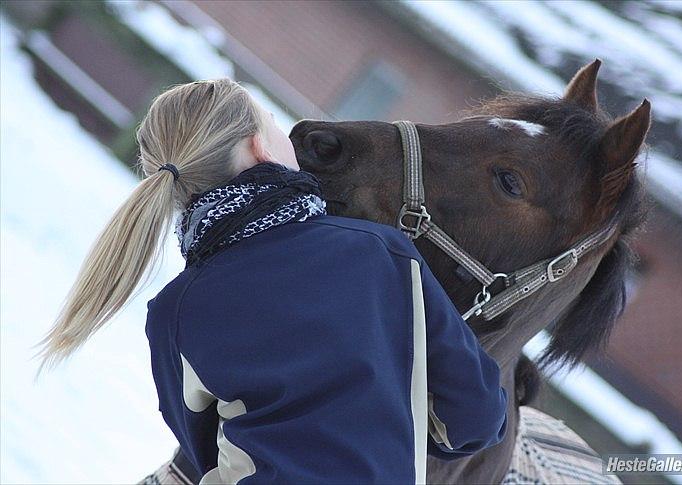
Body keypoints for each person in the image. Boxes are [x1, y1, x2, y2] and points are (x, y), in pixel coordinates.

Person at [37, 79, 508, 484]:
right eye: (273, 122)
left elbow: (200, 452)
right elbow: (476, 420)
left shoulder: (172, 313)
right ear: (260, 147)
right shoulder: (379, 253)